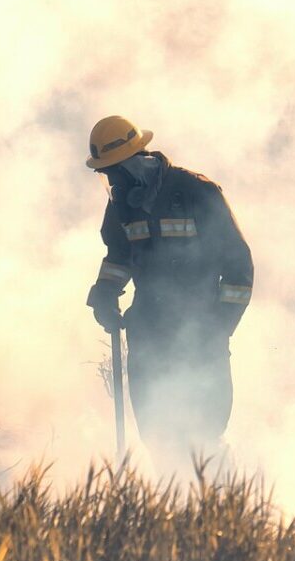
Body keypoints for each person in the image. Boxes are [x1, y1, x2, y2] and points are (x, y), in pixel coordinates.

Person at [84, 115, 253, 468]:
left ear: (133, 163)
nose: (110, 180)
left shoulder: (196, 192)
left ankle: (220, 506)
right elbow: (119, 256)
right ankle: (170, 511)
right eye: (105, 174)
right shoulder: (122, 206)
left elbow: (238, 266)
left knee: (204, 436)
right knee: (159, 435)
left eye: (112, 171)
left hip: (201, 336)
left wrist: (219, 327)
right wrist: (105, 292)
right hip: (149, 335)